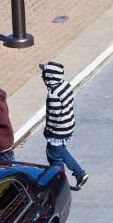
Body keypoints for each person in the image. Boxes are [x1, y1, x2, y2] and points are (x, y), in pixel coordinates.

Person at [40, 61, 89, 189]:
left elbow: (54, 116)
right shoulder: (66, 85)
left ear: (50, 76)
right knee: (61, 151)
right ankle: (78, 175)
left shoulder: (53, 94)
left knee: (53, 155)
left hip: (58, 130)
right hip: (68, 125)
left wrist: (47, 130)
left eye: (44, 74)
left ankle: (64, 181)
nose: (42, 76)